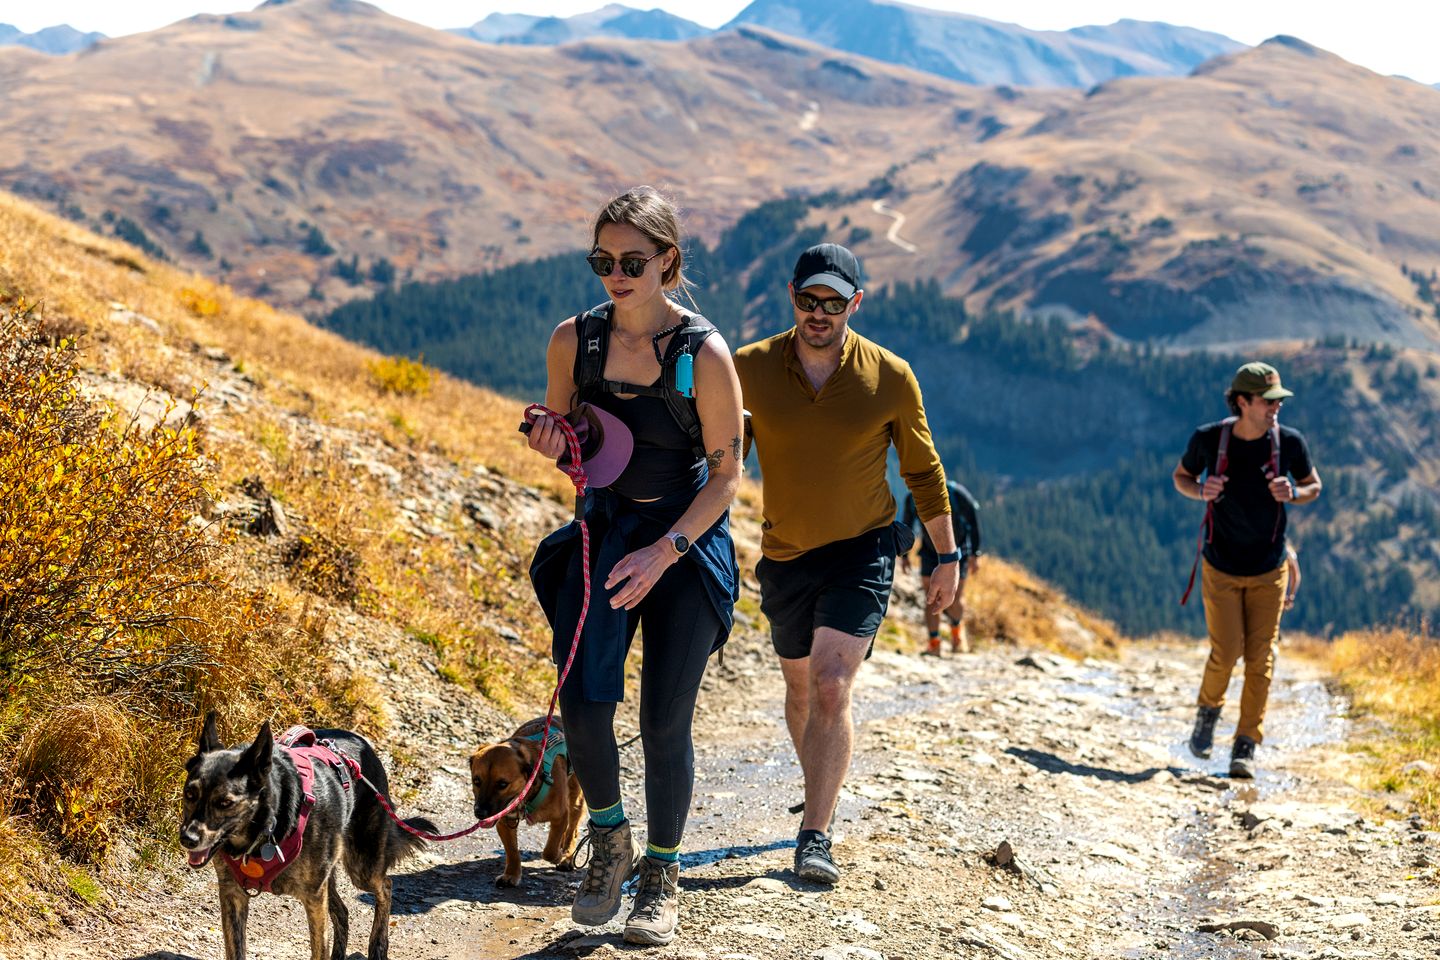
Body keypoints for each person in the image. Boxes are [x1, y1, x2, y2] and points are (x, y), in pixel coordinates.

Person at [526, 187, 743, 945]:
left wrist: (666, 551)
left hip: (683, 542)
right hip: (608, 533)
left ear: (668, 262)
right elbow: (571, 444)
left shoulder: (702, 355)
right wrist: (554, 446)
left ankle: (662, 873)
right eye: (601, 260)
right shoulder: (574, 342)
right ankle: (610, 843)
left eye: (631, 261)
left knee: (662, 721)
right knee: (584, 706)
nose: (614, 274)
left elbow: (726, 475)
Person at [734, 243, 960, 886]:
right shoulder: (748, 367)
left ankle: (815, 834)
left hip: (864, 546)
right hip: (785, 554)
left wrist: (947, 555)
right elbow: (716, 453)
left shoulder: (889, 375)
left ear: (854, 303)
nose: (820, 313)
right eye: (809, 300)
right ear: (792, 296)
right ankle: (818, 786)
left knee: (833, 685)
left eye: (834, 302)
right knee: (801, 687)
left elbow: (922, 469)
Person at [1173, 361, 1321, 779]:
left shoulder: (1289, 443)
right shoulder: (1208, 440)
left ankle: (1245, 746)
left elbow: (1315, 486)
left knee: (1261, 659)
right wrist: (1200, 489)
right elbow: (1181, 477)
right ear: (1243, 401)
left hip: (1269, 568)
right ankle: (1208, 713)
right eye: (1268, 400)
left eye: (1278, 400)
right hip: (1220, 566)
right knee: (1226, 652)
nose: (1276, 407)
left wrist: (1294, 492)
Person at [901, 480, 982, 654]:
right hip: (930, 551)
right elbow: (906, 526)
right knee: (930, 598)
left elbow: (973, 523)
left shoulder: (958, 494)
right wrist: (904, 556)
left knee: (954, 598)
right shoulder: (913, 498)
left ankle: (957, 634)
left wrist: (975, 554)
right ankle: (934, 643)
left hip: (959, 551)